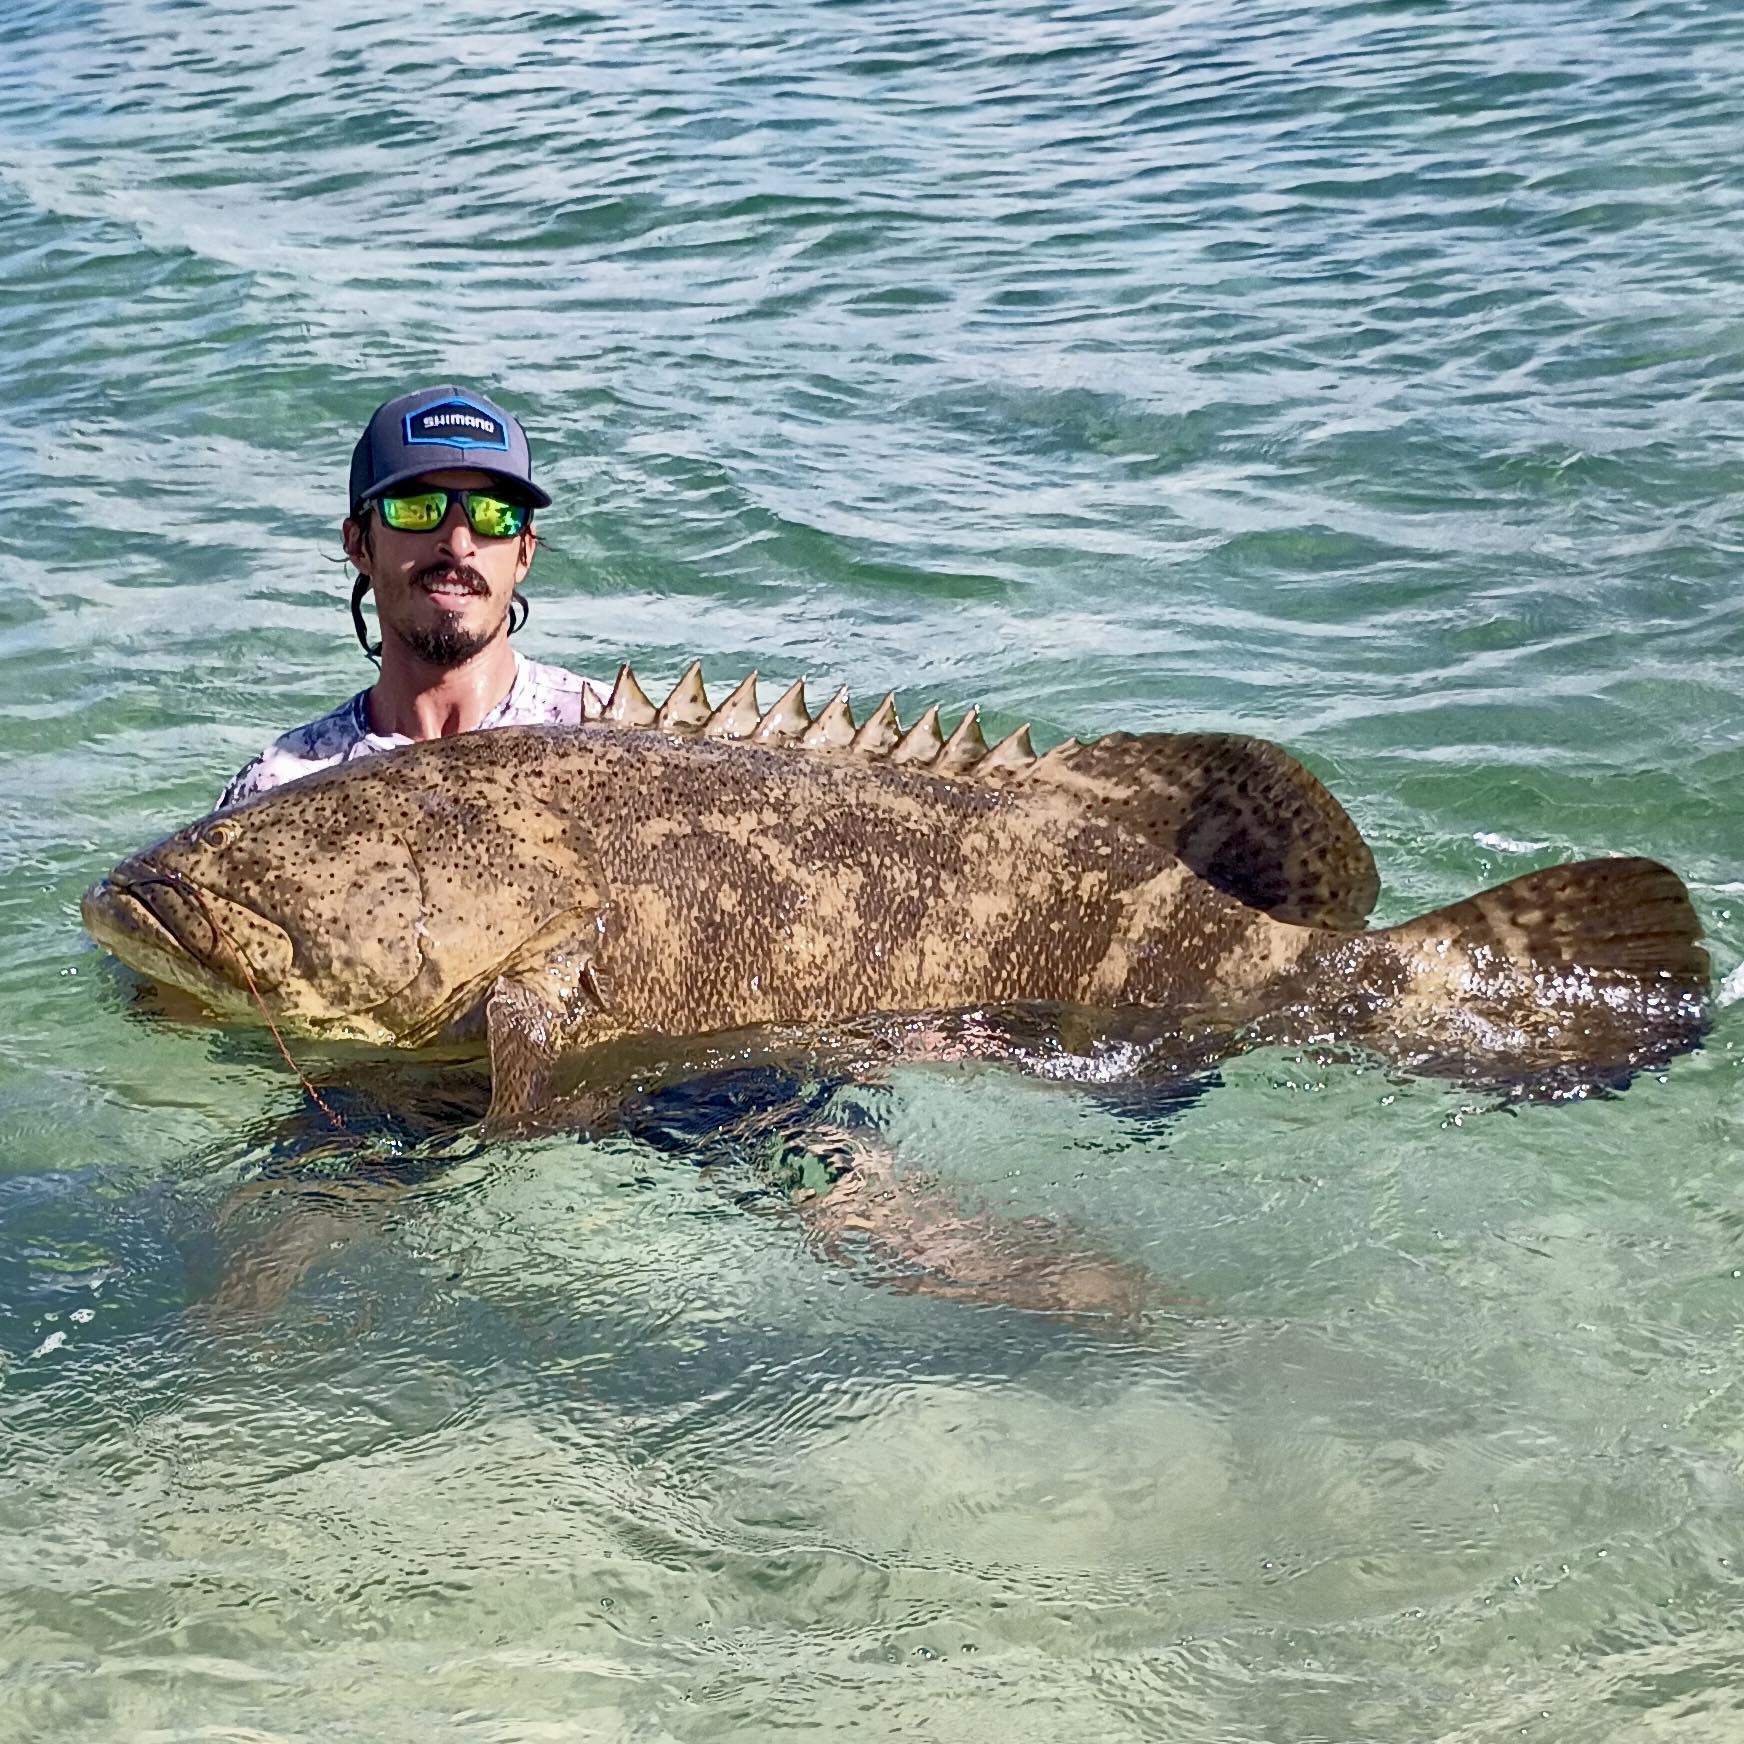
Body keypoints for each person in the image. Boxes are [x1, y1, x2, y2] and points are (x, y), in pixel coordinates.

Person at [219, 385, 606, 809]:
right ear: (359, 544)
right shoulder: (280, 791)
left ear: (525, 551)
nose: (459, 543)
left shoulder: (611, 742)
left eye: (494, 513)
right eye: (418, 508)